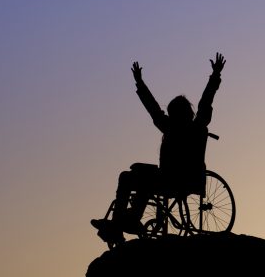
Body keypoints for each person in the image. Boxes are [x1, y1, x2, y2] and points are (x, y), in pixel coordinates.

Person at [92, 52, 225, 243]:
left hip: (182, 180)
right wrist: (140, 83)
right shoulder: (173, 127)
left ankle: (128, 220)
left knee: (144, 178)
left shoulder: (194, 128)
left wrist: (215, 76)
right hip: (167, 177)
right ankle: (118, 224)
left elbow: (204, 101)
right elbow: (154, 108)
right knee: (127, 176)